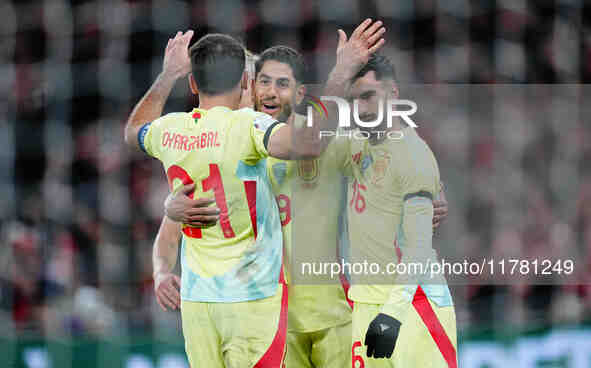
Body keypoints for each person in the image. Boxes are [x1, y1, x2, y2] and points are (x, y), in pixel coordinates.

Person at [124, 25, 385, 367]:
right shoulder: (247, 133)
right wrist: (170, 217)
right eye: (261, 82)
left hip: (329, 315)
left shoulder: (187, 133)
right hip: (263, 312)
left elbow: (382, 179)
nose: (267, 93)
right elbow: (169, 233)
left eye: (279, 84)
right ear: (245, 87)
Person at [338, 53, 457, 368]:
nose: (360, 109)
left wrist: (392, 313)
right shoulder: (355, 146)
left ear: (393, 95)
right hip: (365, 304)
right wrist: (341, 68)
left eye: (367, 97)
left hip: (415, 307)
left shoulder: (414, 156)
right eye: (354, 101)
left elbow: (418, 250)